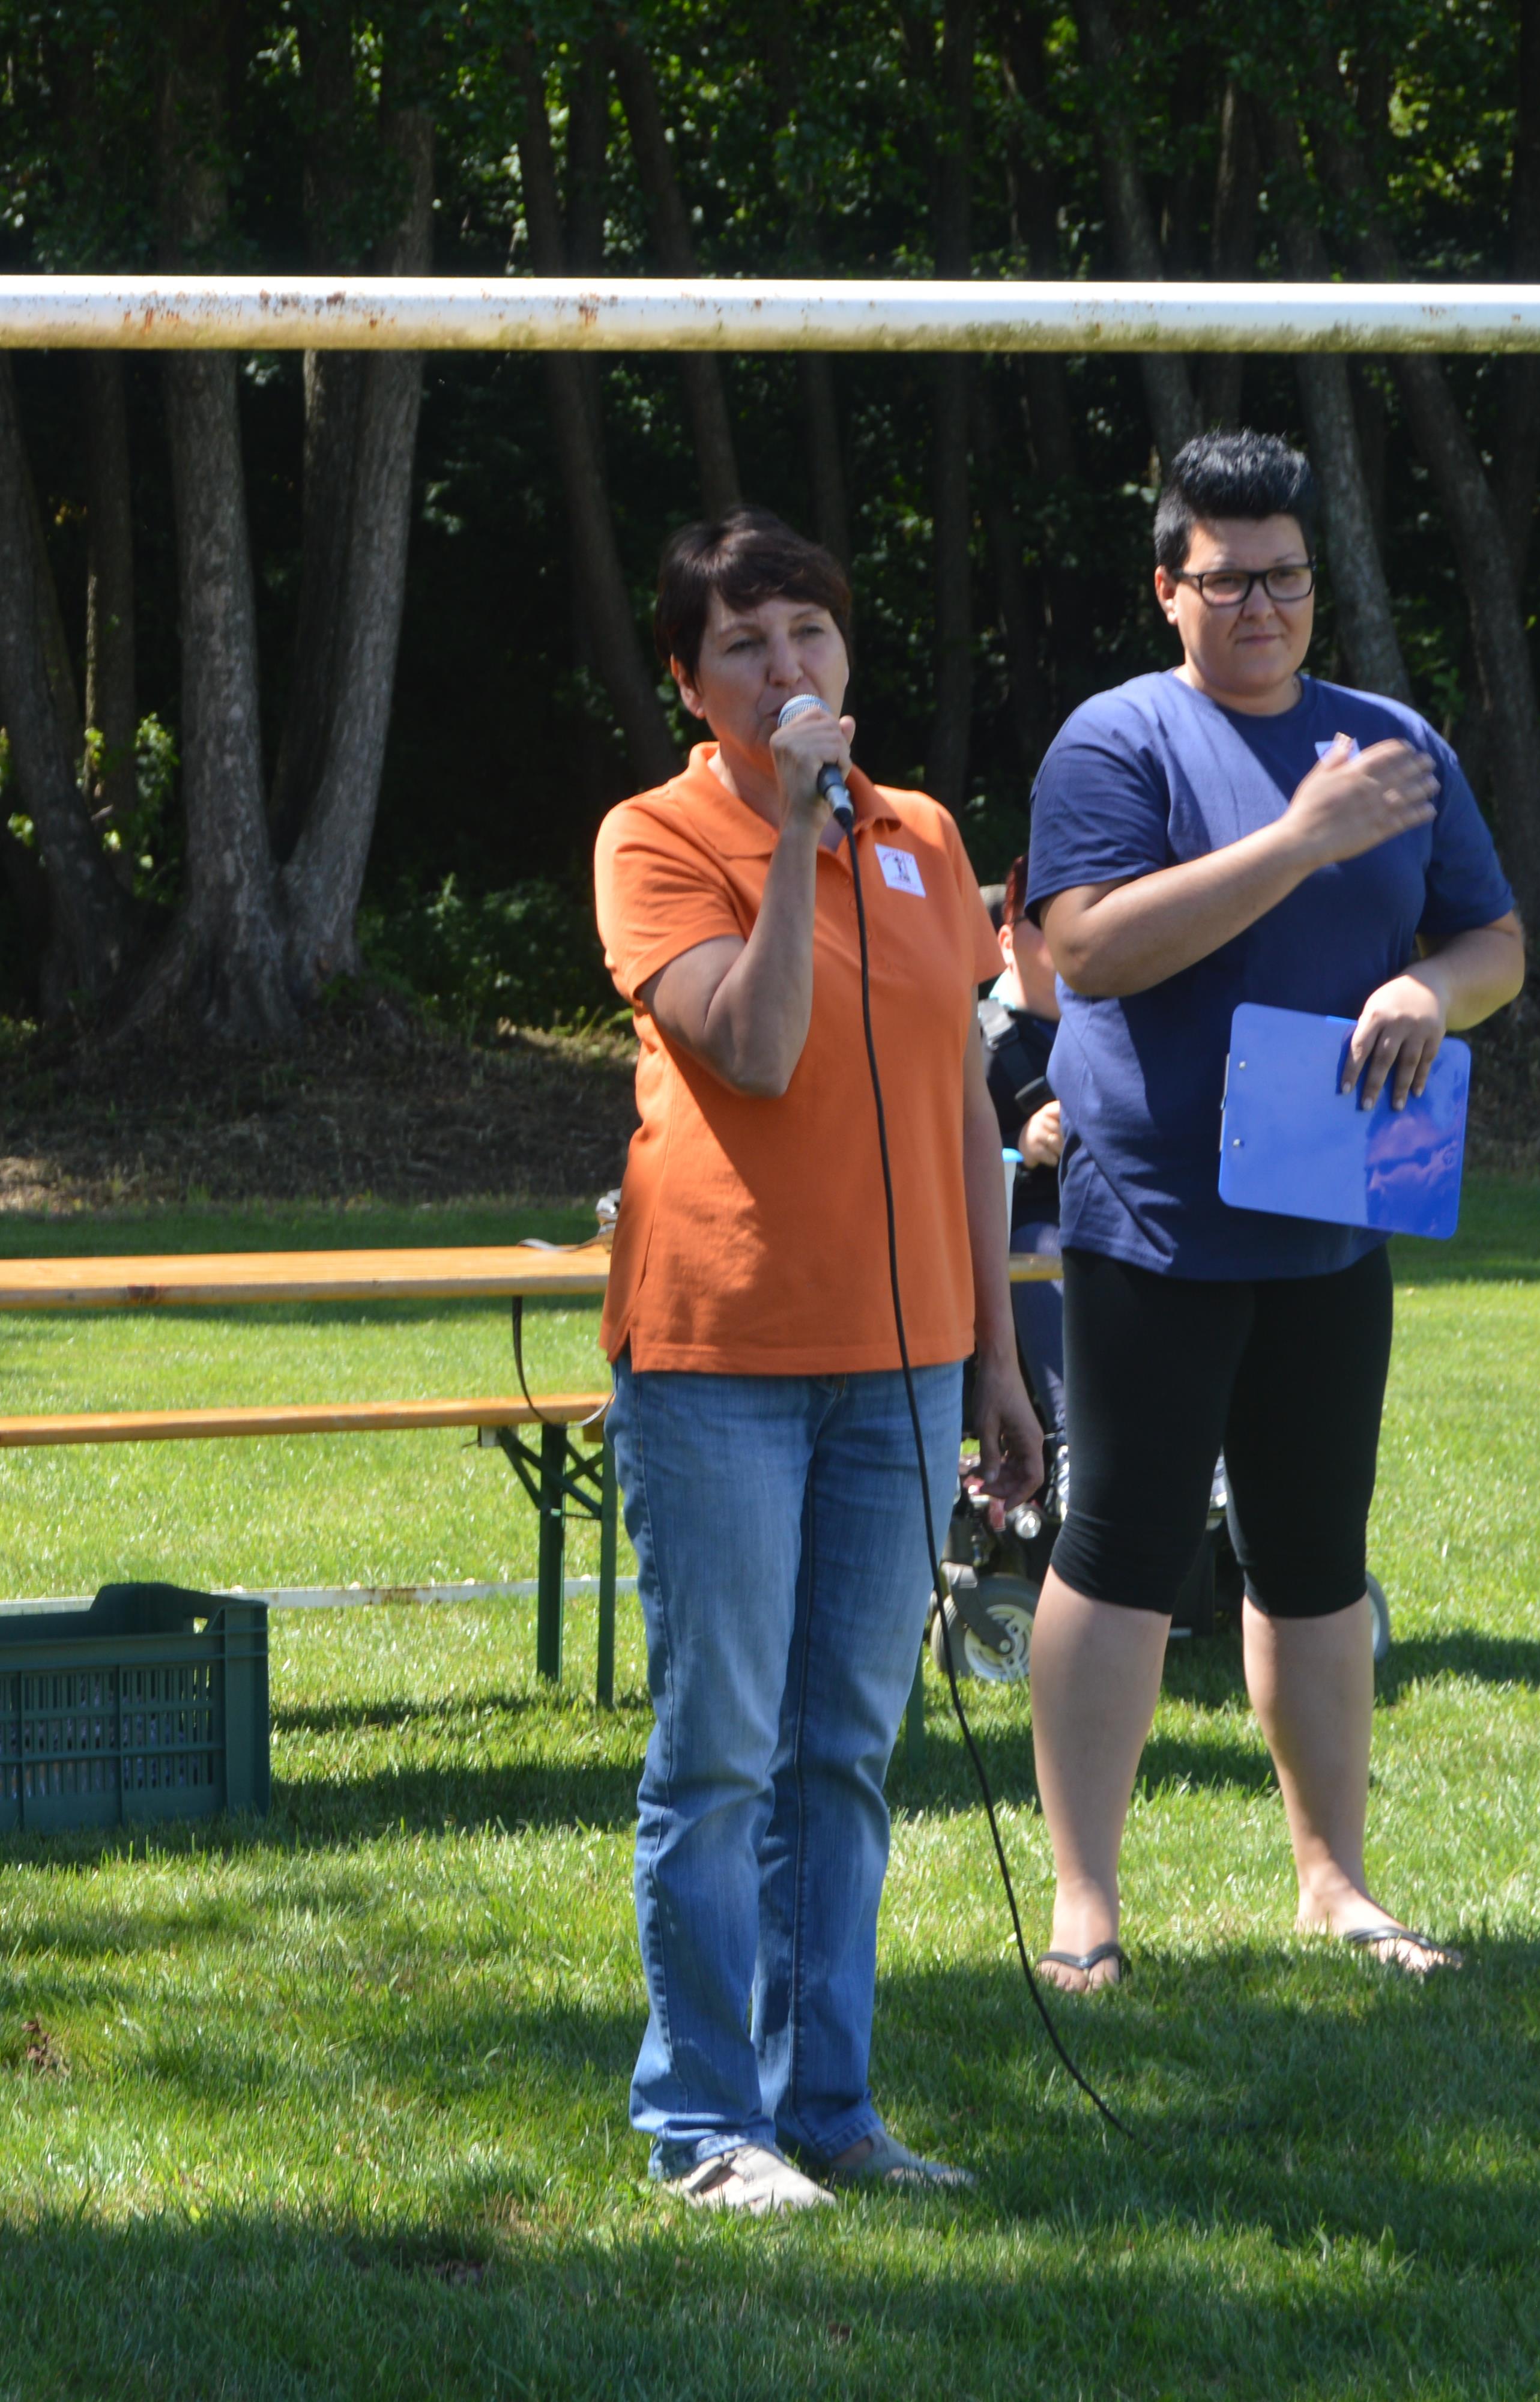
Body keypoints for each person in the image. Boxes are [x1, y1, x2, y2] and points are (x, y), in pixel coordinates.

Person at [1018, 432, 1523, 1994]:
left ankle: (1334, 1884)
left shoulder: (1393, 742)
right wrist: (1301, 839)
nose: (1263, 608)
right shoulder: (1117, 742)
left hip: (1332, 1213)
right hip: (1154, 1217)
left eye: (1287, 579)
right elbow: (1089, 951)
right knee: (1122, 1546)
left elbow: (1493, 940)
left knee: (1312, 1553)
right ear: (1167, 589)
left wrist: (1429, 991)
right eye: (1229, 581)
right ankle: (1086, 1906)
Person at [593, 507, 1045, 2213]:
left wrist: (996, 1352)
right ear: (688, 682)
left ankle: (832, 2110)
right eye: (743, 645)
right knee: (721, 1753)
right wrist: (791, 839)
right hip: (721, 1358)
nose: (785, 665)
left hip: (908, 1365)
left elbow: (962, 1109)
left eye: (808, 633)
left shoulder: (925, 834)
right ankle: (706, 2124)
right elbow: (763, 1048)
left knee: (844, 1746)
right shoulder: (653, 837)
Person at [979, 853, 1065, 1439]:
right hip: (1026, 1231)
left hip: (1118, 1222)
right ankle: (1071, 1438)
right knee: (1040, 1248)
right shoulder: (980, 1043)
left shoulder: (1118, 1029)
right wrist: (1020, 1143)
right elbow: (941, 1156)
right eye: (1048, 919)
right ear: (1007, 943)